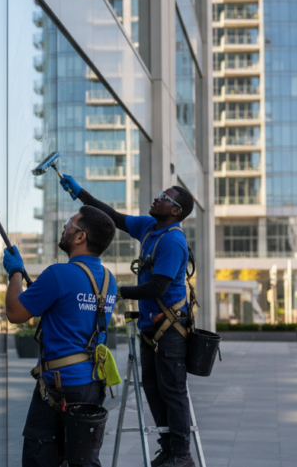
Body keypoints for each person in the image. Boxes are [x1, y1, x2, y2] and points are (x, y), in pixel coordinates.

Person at [59, 175, 196, 467]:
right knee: (152, 387)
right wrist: (80, 193)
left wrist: (116, 291)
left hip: (170, 329)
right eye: (160, 193)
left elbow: (157, 287)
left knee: (172, 390)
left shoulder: (172, 240)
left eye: (165, 197)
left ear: (175, 212)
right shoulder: (149, 227)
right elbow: (113, 217)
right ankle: (168, 447)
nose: (157, 197)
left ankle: (181, 454)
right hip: (151, 328)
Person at [4, 205, 119, 467]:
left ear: (81, 237)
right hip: (92, 384)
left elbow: (15, 312)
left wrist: (15, 273)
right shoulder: (108, 280)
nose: (65, 227)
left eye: (70, 223)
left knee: (40, 458)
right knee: (82, 459)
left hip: (60, 387)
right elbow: (70, 311)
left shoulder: (59, 274)